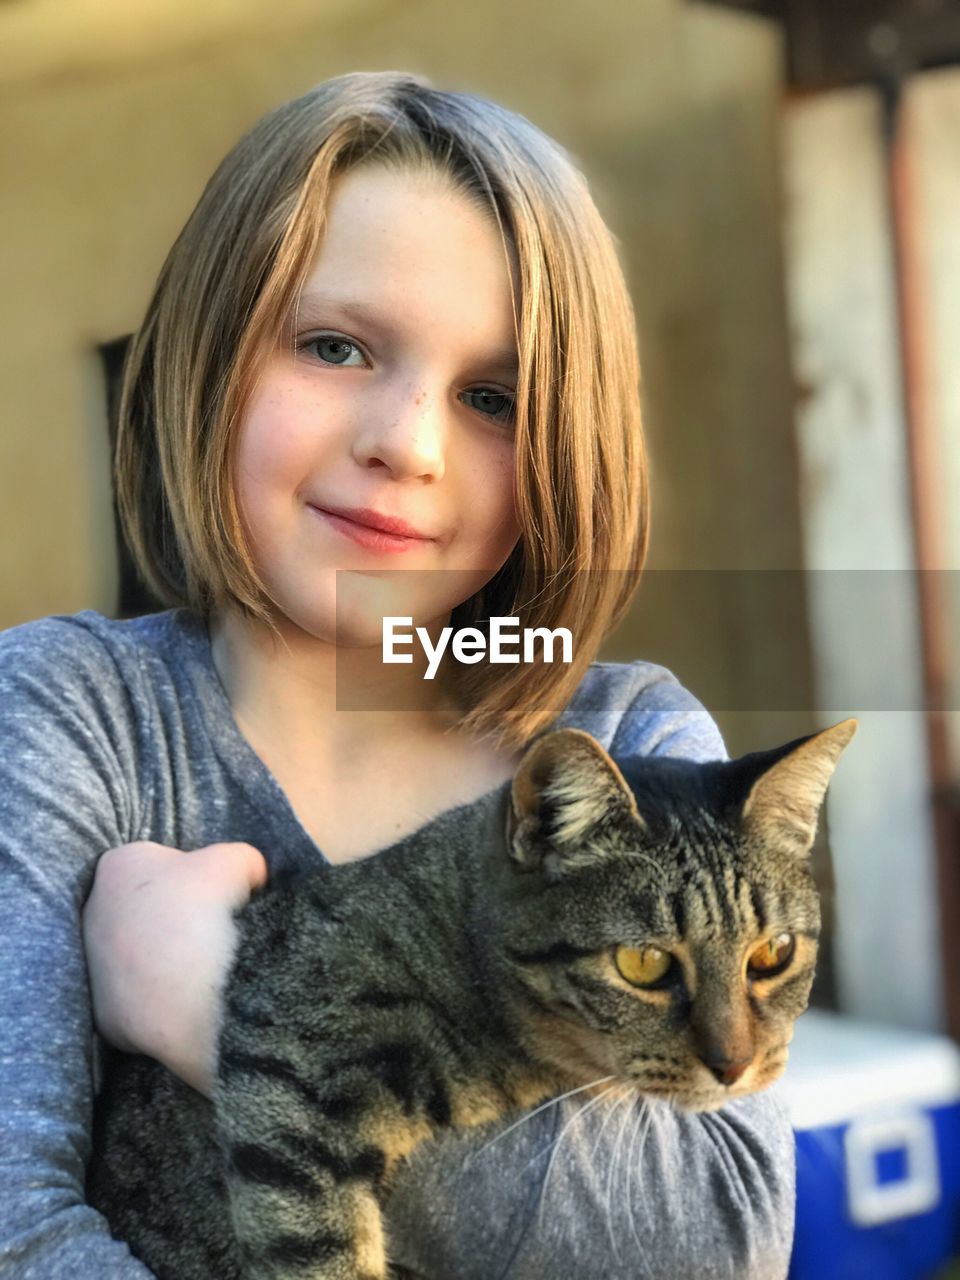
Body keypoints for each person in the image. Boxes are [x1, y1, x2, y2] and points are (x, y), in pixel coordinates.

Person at [0, 71, 795, 1278]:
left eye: (493, 396)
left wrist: (221, 999)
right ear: (206, 357)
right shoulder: (76, 716)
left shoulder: (633, 732)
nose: (406, 442)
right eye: (334, 345)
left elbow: (721, 1243)